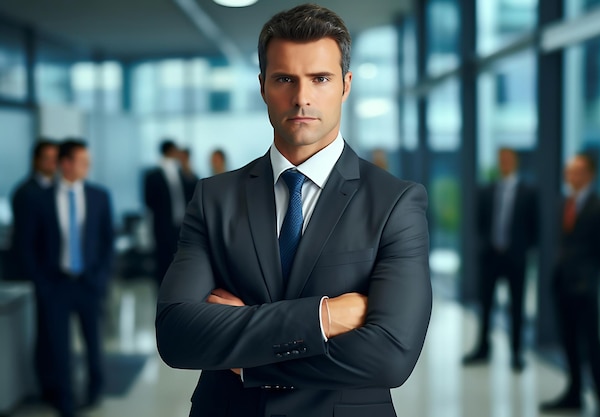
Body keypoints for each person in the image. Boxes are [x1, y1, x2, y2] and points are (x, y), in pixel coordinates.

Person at [155, 4, 432, 417]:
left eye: (320, 78)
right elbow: (177, 335)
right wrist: (324, 316)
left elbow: (391, 355)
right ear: (264, 86)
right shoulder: (214, 197)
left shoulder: (395, 201)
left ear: (345, 85)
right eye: (285, 79)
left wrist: (248, 361)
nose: (302, 98)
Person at [17, 139, 114, 417]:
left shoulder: (99, 196)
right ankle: (65, 400)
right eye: (83, 162)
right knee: (59, 348)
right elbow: (27, 245)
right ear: (66, 164)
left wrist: (102, 276)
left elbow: (108, 240)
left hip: (89, 283)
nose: (88, 167)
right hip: (55, 285)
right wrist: (41, 283)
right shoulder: (40, 198)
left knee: (94, 344)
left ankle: (95, 392)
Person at [541, 153, 600, 417]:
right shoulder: (565, 204)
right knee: (568, 343)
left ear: (590, 175)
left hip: (585, 289)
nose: (572, 176)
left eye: (578, 171)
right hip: (562, 285)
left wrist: (587, 278)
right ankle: (574, 393)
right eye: (569, 171)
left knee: (592, 345)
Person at [463, 147, 537, 371]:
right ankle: (483, 348)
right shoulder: (486, 190)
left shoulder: (529, 192)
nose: (504, 162)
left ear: (515, 161)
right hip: (490, 256)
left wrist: (522, 249)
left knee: (516, 306)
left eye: (507, 159)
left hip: (516, 257)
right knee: (485, 304)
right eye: (501, 159)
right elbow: (479, 223)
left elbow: (535, 227)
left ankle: (516, 352)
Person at [143, 140, 194, 285]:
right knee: (163, 260)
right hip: (162, 225)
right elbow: (148, 201)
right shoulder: (152, 175)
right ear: (171, 151)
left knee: (182, 260)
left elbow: (193, 191)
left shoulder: (182, 172)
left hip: (183, 224)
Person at [10, 139, 59, 280]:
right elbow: (25, 240)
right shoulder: (26, 192)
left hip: (56, 271)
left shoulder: (60, 190)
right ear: (36, 161)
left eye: (56, 159)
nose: (53, 163)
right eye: (47, 158)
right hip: (36, 270)